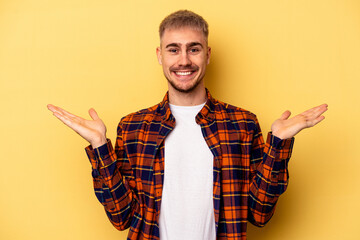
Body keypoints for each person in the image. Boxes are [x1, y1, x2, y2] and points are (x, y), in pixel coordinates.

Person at [47, 10, 328, 240]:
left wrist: (278, 144)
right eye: (174, 49)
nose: (184, 60)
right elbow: (121, 218)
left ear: (207, 54)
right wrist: (99, 147)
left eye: (193, 49)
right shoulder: (133, 127)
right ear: (160, 55)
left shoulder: (242, 124)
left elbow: (259, 214)